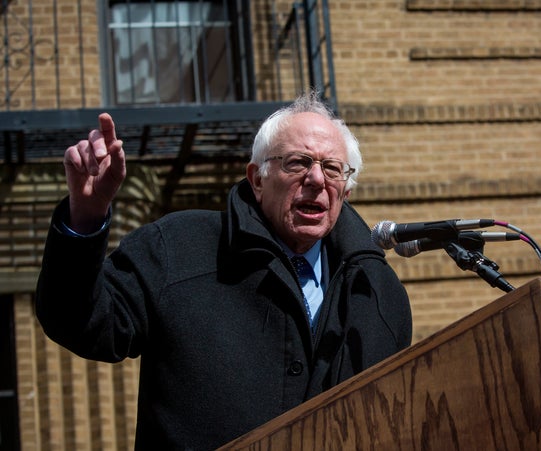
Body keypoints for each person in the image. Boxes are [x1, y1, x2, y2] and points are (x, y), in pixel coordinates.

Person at [35, 92, 413, 449]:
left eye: (332, 169)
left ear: (345, 193)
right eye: (297, 162)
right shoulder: (178, 246)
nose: (316, 180)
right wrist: (85, 216)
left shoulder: (377, 291)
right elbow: (79, 322)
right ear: (257, 179)